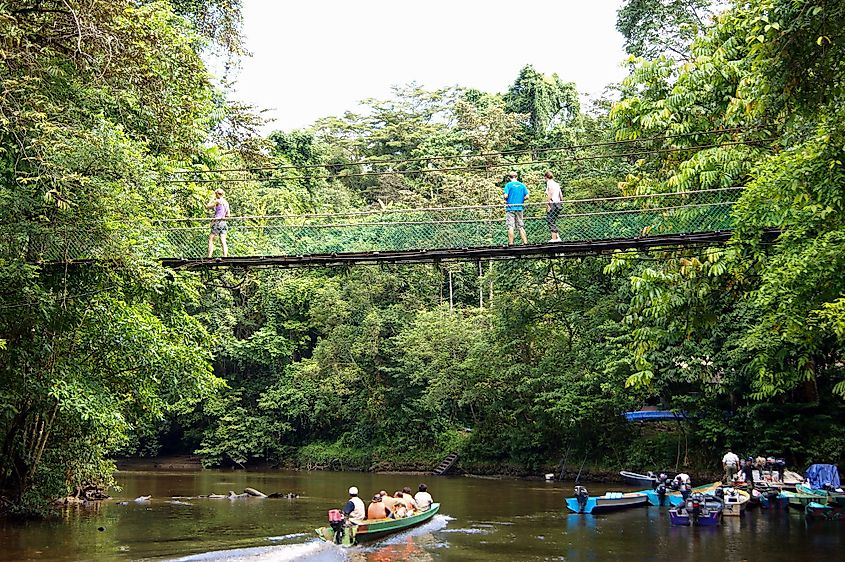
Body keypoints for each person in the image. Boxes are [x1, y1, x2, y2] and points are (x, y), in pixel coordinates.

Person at [503, 171, 529, 245]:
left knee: (511, 226)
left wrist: (506, 199)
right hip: (519, 208)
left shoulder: (508, 185)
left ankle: (511, 243)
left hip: (510, 208)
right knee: (520, 226)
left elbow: (505, 196)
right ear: (516, 177)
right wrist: (521, 200)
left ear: (509, 177)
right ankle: (525, 242)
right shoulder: (522, 185)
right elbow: (527, 196)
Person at [206, 188, 230, 258]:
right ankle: (225, 256)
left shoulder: (218, 201)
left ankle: (209, 256)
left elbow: (207, 206)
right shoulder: (226, 202)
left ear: (216, 194)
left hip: (217, 221)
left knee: (211, 239)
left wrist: (212, 199)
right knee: (223, 240)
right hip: (223, 222)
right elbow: (228, 215)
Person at [544, 171, 563, 242]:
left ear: (545, 177)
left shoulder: (549, 183)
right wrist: (561, 202)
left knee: (550, 220)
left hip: (552, 203)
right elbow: (560, 194)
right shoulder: (556, 184)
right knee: (553, 220)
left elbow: (550, 193)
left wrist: (548, 204)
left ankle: (554, 239)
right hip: (558, 203)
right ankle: (557, 237)